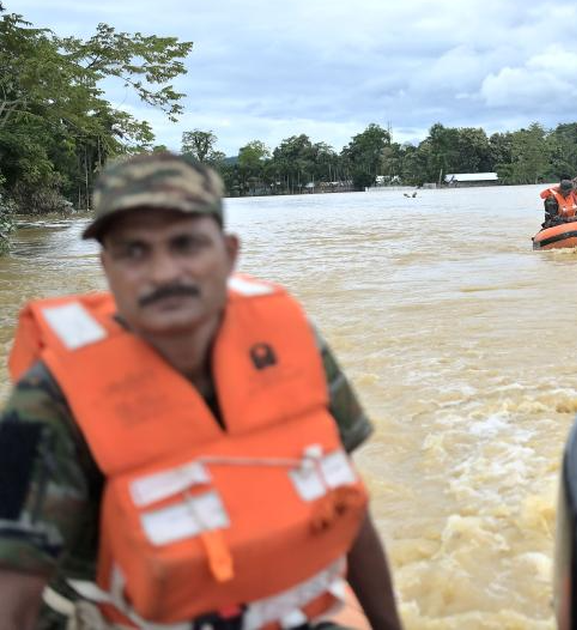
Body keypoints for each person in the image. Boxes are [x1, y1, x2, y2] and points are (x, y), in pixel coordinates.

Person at [0, 152, 404, 630]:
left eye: (186, 244)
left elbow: (347, 504)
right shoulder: (53, 398)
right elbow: (14, 591)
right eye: (134, 251)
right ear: (106, 266)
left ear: (229, 253)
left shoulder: (289, 343)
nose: (165, 272)